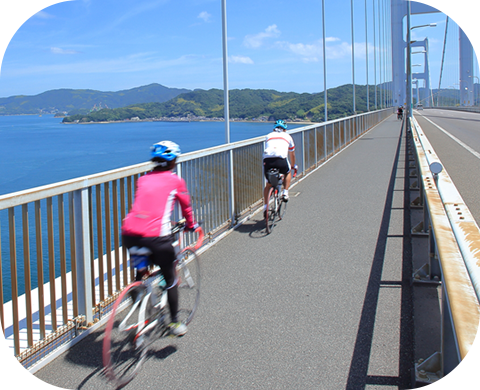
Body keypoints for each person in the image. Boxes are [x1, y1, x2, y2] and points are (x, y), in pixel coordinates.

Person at [121, 140, 198, 337]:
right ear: (173, 162)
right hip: (156, 238)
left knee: (143, 266)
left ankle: (139, 287)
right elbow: (186, 207)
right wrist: (192, 225)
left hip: (129, 235)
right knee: (170, 277)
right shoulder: (175, 181)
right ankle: (173, 323)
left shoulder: (143, 179)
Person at [262, 120, 297, 217]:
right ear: (285, 129)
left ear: (274, 129)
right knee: (287, 172)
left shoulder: (268, 136)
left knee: (268, 185)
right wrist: (293, 165)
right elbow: (292, 154)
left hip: (267, 160)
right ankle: (285, 192)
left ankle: (265, 207)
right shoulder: (288, 137)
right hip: (281, 159)